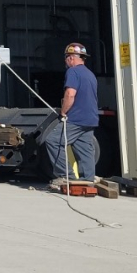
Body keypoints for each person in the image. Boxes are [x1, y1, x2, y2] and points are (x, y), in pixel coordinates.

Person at [45, 42, 100, 187]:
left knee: (53, 140)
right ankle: (88, 179)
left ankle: (65, 176)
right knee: (85, 148)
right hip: (90, 119)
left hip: (76, 118)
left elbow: (70, 94)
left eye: (66, 58)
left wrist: (63, 112)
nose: (66, 61)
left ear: (70, 58)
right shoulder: (90, 74)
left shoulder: (73, 72)